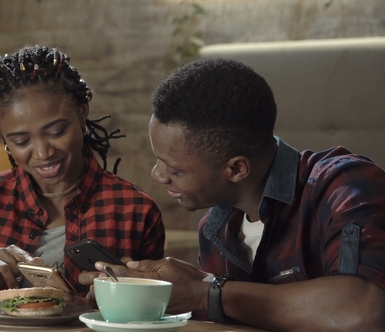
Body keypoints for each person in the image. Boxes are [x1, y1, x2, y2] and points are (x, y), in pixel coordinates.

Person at [79, 57, 385, 331]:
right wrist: (148, 296)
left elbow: (362, 312)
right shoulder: (216, 229)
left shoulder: (343, 185)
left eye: (175, 168)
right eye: (158, 159)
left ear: (237, 169)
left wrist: (207, 291)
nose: (157, 175)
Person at [0, 45, 166, 295]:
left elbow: (149, 312)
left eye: (56, 132)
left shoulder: (134, 209)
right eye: (21, 141)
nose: (42, 153)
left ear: (82, 113)